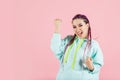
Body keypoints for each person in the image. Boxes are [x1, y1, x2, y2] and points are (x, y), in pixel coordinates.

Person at [50, 14, 104, 80]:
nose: (77, 29)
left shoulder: (93, 45)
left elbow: (98, 64)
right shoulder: (68, 40)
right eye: (74, 27)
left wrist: (91, 66)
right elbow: (55, 48)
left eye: (80, 25)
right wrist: (57, 28)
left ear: (87, 25)